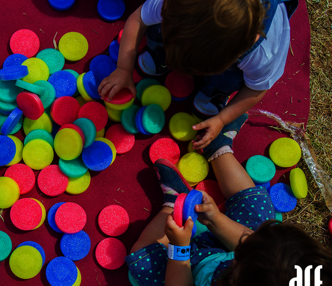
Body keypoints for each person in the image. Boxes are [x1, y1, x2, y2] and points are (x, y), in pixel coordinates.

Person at [126, 114, 332, 285]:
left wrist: (179, 248)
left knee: (141, 263)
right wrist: (215, 219)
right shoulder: (274, 263)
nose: (250, 238)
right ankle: (218, 148)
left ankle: (172, 204)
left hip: (191, 271)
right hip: (232, 255)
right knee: (259, 209)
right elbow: (254, 242)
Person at [98, 0, 298, 150]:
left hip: (237, 60)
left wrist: (222, 119)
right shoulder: (178, 5)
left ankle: (216, 89)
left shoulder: (263, 53)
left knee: (231, 77)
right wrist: (123, 68)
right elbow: (139, 18)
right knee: (157, 27)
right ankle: (163, 50)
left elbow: (257, 88)